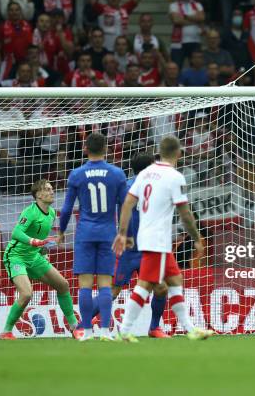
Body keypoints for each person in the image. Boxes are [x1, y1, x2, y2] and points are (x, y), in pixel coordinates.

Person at [112, 135, 214, 342]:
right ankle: (124, 330)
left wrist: (122, 233)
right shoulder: (174, 176)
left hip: (154, 240)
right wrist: (196, 237)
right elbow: (185, 213)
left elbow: (127, 204)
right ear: (178, 153)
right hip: (156, 240)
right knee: (145, 286)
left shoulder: (145, 173)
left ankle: (190, 329)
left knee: (174, 282)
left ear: (160, 152)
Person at [76, 153, 170, 338]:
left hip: (148, 250)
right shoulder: (125, 187)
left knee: (161, 287)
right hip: (126, 251)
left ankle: (154, 328)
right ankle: (81, 326)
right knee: (112, 290)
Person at [58, 133, 128, 341]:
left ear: (85, 149)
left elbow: (67, 207)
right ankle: (106, 331)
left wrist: (61, 231)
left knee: (85, 284)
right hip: (108, 234)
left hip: (85, 234)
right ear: (106, 149)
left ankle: (86, 331)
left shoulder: (77, 174)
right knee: (105, 283)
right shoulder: (117, 174)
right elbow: (125, 207)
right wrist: (125, 234)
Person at [0, 179, 78, 339]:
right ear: (39, 195)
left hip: (34, 256)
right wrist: (32, 241)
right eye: (48, 189)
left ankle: (75, 327)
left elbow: (40, 237)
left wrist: (43, 252)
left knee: (63, 285)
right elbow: (16, 233)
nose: (52, 191)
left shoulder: (52, 213)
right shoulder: (30, 211)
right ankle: (6, 331)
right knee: (27, 294)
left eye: (51, 188)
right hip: (16, 256)